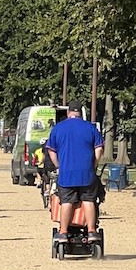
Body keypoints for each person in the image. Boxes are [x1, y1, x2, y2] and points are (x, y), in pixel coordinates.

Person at [45, 101, 104, 244]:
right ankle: (91, 231)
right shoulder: (90, 128)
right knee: (89, 200)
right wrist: (93, 165)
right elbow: (99, 149)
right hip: (86, 173)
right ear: (81, 113)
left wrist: (58, 166)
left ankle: (63, 232)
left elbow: (51, 150)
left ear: (68, 112)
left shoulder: (58, 128)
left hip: (66, 173)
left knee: (66, 202)